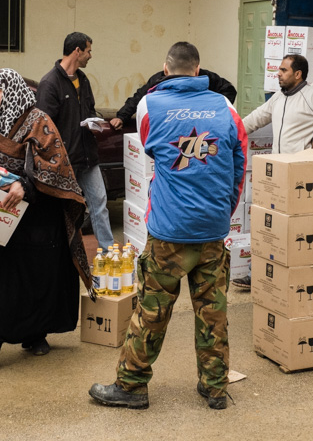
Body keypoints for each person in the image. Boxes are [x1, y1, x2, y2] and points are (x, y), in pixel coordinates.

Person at [89, 42, 247, 411]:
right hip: (212, 229)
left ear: (164, 69)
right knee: (213, 312)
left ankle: (130, 387)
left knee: (151, 311)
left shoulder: (149, 105)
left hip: (168, 231)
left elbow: (149, 147)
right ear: (198, 70)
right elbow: (240, 164)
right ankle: (215, 388)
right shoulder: (225, 107)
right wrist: (223, 213)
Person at [0, 69, 92, 368]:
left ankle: (34, 333)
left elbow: (55, 165)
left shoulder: (37, 121)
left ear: (11, 92)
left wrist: (26, 185)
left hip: (37, 219)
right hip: (0, 216)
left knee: (36, 277)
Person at [232, 54, 313, 290]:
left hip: (300, 175)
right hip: (276, 175)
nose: (278, 73)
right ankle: (257, 275)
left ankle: (296, 277)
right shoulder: (279, 97)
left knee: (295, 230)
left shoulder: (312, 97)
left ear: (298, 74)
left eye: (283, 70)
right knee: (268, 227)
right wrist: (230, 130)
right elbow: (256, 119)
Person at [36, 32, 115, 251]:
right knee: (62, 209)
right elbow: (44, 127)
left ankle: (108, 252)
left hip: (88, 157)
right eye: (88, 51)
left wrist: (94, 123)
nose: (91, 55)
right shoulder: (49, 83)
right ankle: (58, 251)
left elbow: (89, 110)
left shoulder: (84, 80)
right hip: (65, 161)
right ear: (77, 51)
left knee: (99, 203)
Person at [109, 67, 237, 130]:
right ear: (166, 70)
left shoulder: (206, 78)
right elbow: (139, 97)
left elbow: (229, 90)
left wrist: (211, 112)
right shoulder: (158, 80)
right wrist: (122, 116)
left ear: (196, 71)